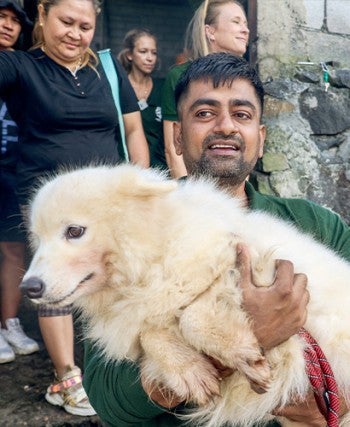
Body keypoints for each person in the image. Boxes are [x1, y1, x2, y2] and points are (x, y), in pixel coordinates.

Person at [82, 53, 350, 426]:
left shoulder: (316, 225)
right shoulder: (125, 234)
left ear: (261, 137)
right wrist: (243, 341)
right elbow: (108, 398)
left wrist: (330, 405)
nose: (225, 126)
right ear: (177, 135)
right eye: (205, 114)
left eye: (242, 114)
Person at [0, 0, 150, 417]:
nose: (75, 33)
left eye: (84, 26)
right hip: (49, 203)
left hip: (105, 202)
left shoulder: (106, 66)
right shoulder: (19, 66)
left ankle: (115, 367)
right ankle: (66, 377)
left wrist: (140, 186)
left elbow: (133, 129)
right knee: (56, 283)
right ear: (43, 15)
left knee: (114, 280)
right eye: (66, 21)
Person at [162, 0, 249, 178]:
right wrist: (188, 197)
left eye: (245, 24)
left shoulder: (245, 80)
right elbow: (173, 147)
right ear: (210, 31)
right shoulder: (180, 76)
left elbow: (246, 145)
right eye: (236, 22)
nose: (245, 30)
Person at [0, 0, 39, 365]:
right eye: (1, 17)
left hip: (13, 169)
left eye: (15, 21)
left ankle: (10, 322)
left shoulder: (25, 67)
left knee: (14, 249)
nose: (8, 25)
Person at [118, 28, 166, 170]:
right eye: (143, 51)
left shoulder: (163, 88)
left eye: (154, 52)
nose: (150, 58)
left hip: (161, 169)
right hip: (126, 169)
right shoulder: (119, 87)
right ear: (129, 55)